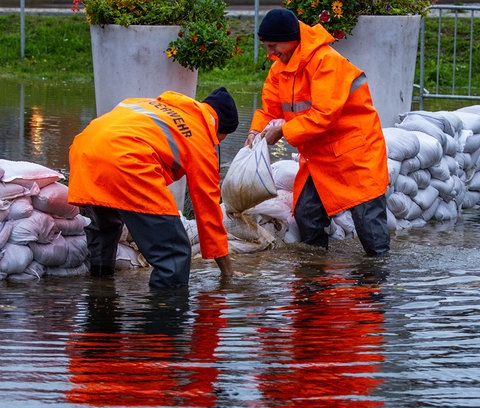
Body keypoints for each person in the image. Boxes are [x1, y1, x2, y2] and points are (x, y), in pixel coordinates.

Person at [246, 8, 390, 256]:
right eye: (266, 46)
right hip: (320, 156)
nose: (270, 53)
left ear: (291, 38)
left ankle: (377, 278)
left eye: (273, 45)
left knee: (368, 223)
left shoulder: (326, 62)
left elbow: (324, 115)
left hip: (355, 153)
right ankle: (316, 271)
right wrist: (256, 131)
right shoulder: (279, 70)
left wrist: (283, 130)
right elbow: (270, 110)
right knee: (307, 213)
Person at [68, 87, 239, 288]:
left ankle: (101, 296)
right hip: (127, 161)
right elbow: (208, 210)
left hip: (85, 154)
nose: (216, 144)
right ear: (220, 128)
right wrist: (228, 273)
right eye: (221, 139)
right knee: (173, 252)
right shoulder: (200, 137)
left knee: (105, 230)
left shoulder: (151, 105)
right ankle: (165, 313)